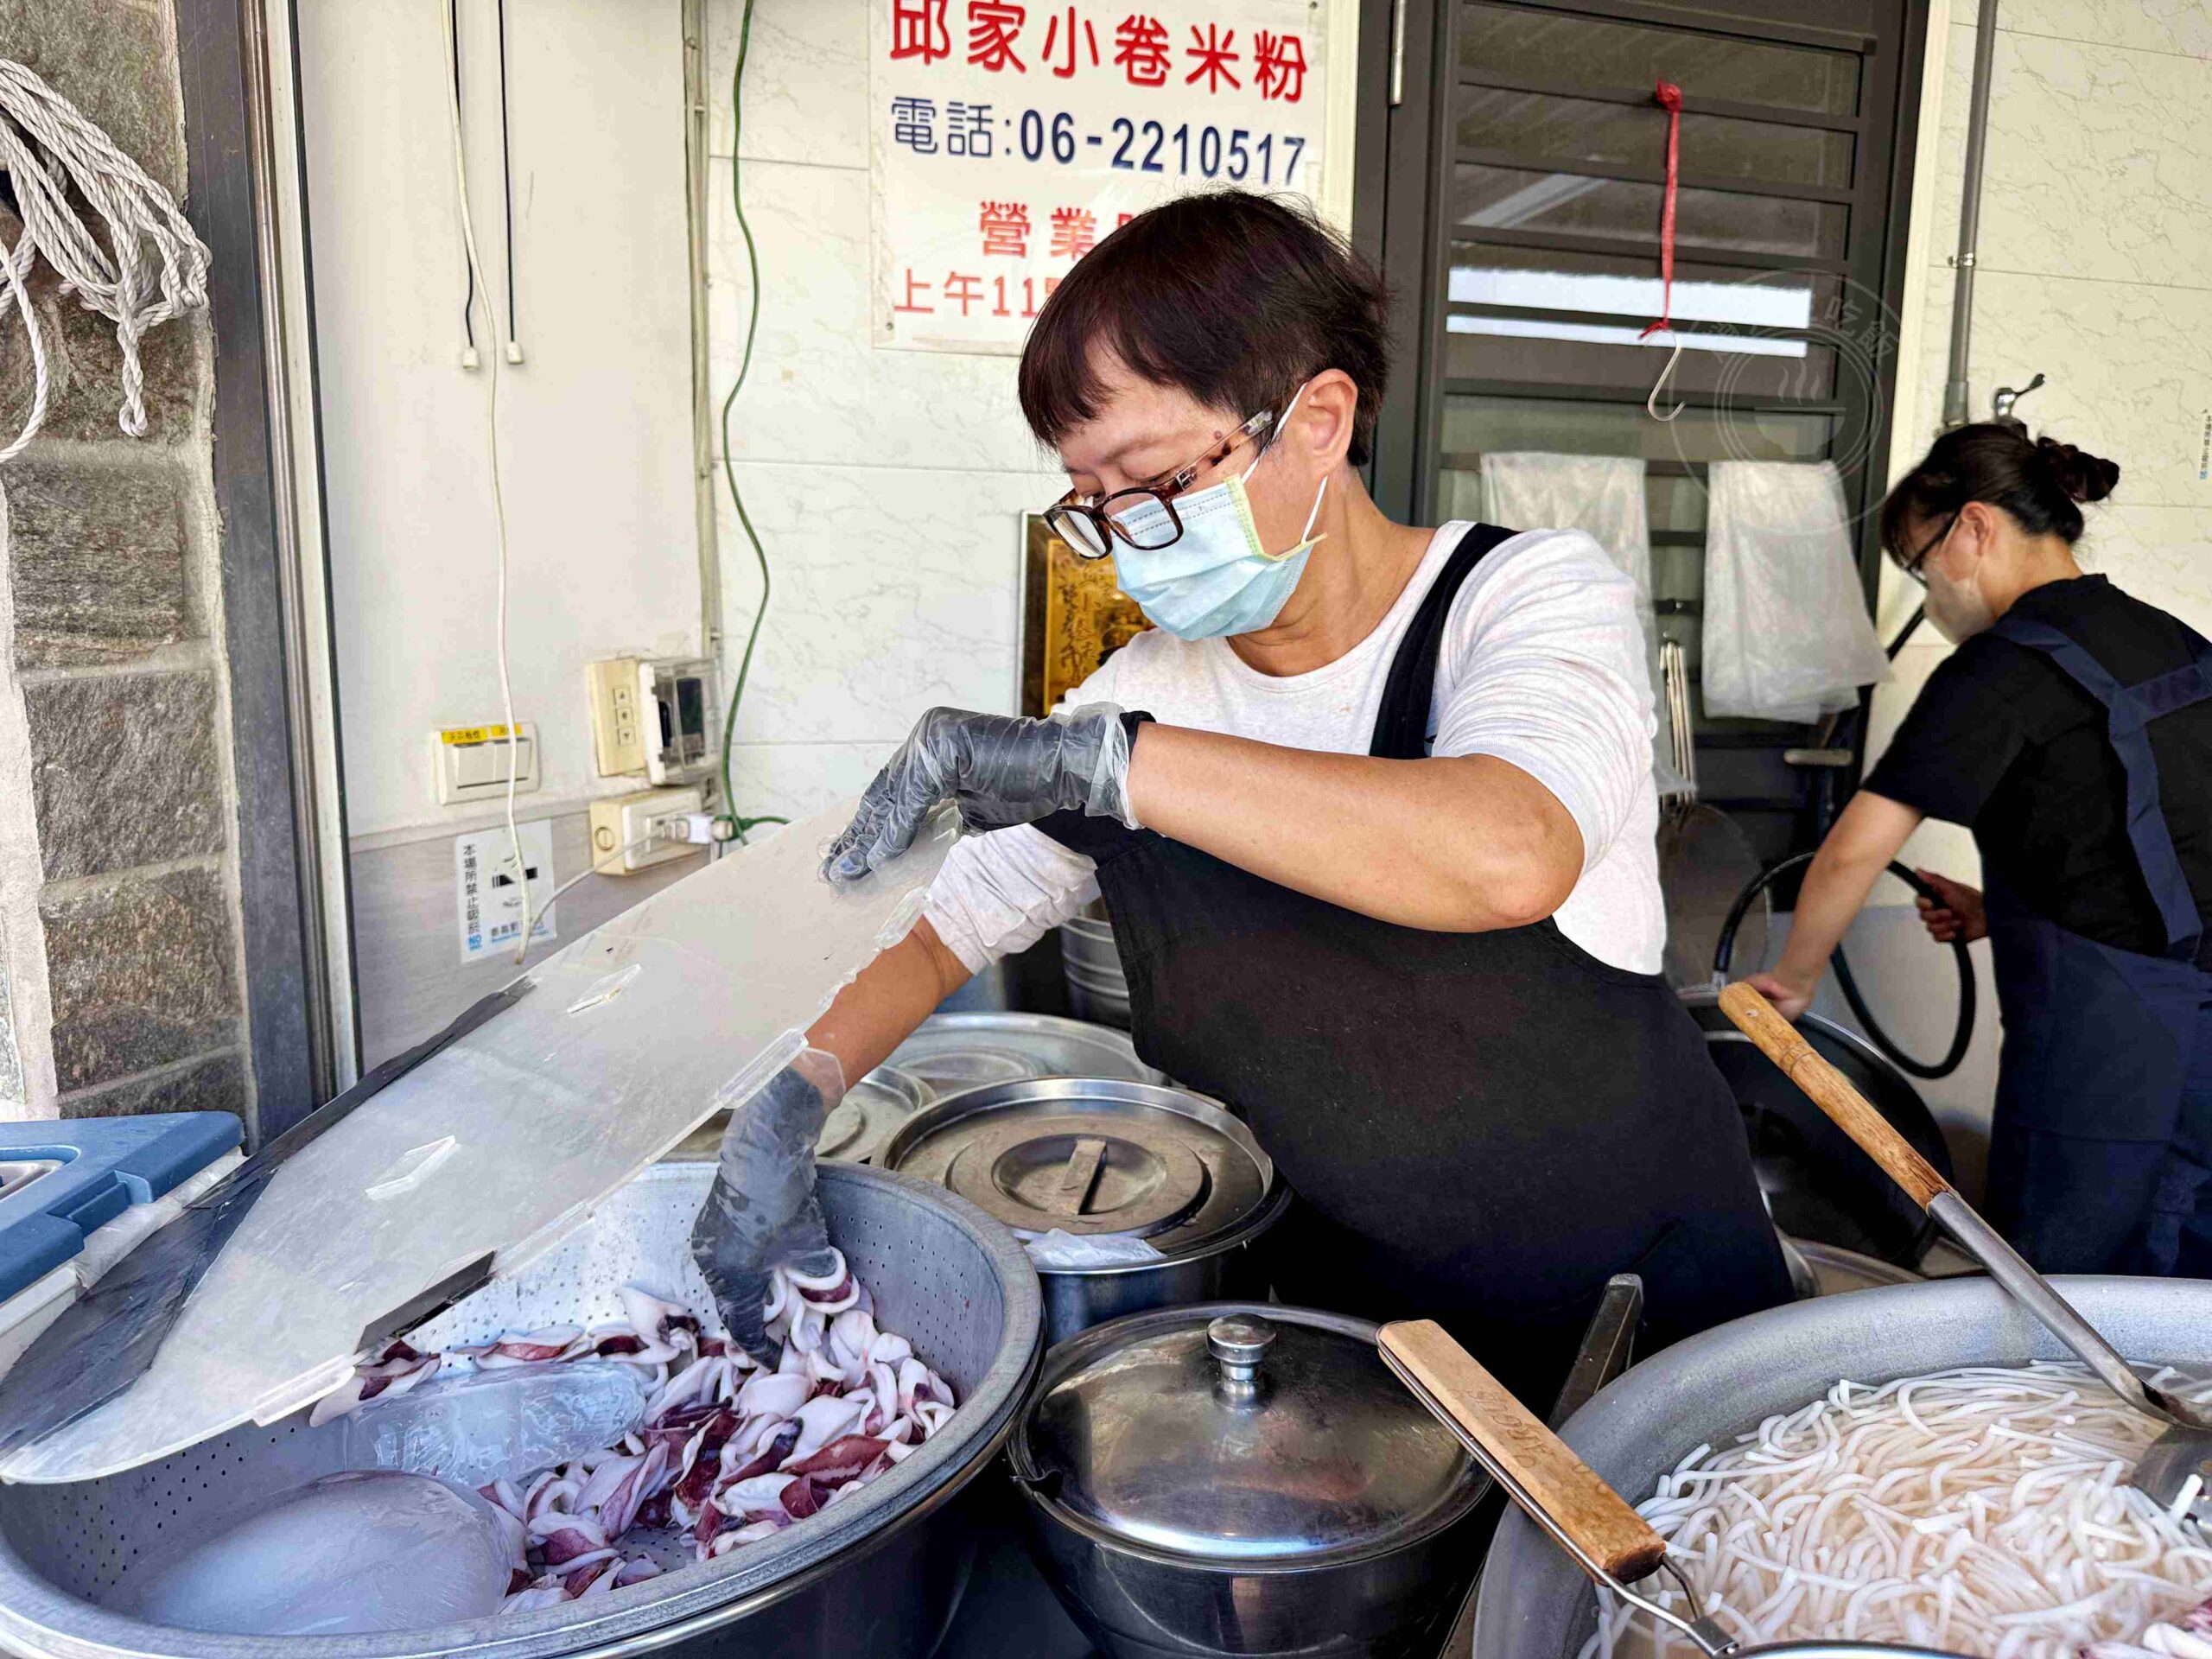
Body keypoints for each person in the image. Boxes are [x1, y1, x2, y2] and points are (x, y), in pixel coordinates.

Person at [694, 190, 1789, 1403]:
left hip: (1641, 1319)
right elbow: (943, 928)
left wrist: (1111, 768)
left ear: (1318, 419)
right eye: (1091, 496)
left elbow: (1507, 851)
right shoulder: (1143, 692)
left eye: (1155, 480)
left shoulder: (1520, 600)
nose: (1124, 532)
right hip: (1368, 1329)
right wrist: (787, 1110)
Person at [1745, 423, 2212, 1276]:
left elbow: (1855, 848)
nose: (1928, 596)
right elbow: (2162, 843)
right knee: (2186, 1284)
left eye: (1920, 567)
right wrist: (1995, 913)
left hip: (2100, 1056)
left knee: (2067, 1292)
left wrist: (1794, 979)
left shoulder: (1998, 666)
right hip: (2199, 1038)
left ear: (1972, 528)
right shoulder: (2171, 639)